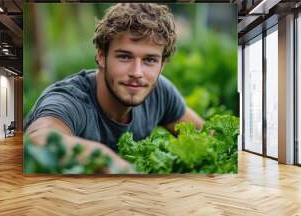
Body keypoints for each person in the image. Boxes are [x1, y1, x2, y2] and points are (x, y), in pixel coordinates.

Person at [24, 3, 204, 172]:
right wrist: (107, 160)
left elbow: (206, 135)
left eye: (150, 60)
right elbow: (38, 140)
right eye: (125, 57)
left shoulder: (159, 92)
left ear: (162, 65)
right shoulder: (69, 101)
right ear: (101, 56)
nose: (137, 72)